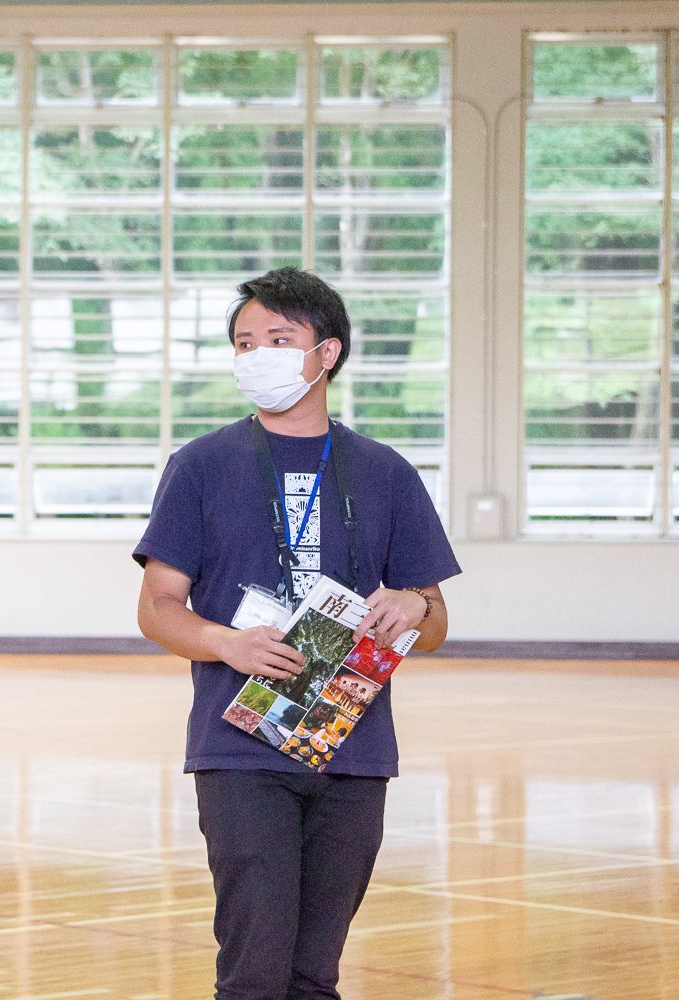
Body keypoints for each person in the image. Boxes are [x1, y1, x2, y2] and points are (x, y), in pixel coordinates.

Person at [134, 267, 460, 1000]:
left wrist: (414, 608)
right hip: (239, 746)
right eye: (245, 342)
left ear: (328, 353)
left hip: (354, 749)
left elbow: (436, 622)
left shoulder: (385, 473)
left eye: (279, 338)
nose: (258, 354)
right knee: (254, 968)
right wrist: (228, 644)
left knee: (316, 973)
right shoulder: (200, 467)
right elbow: (157, 607)